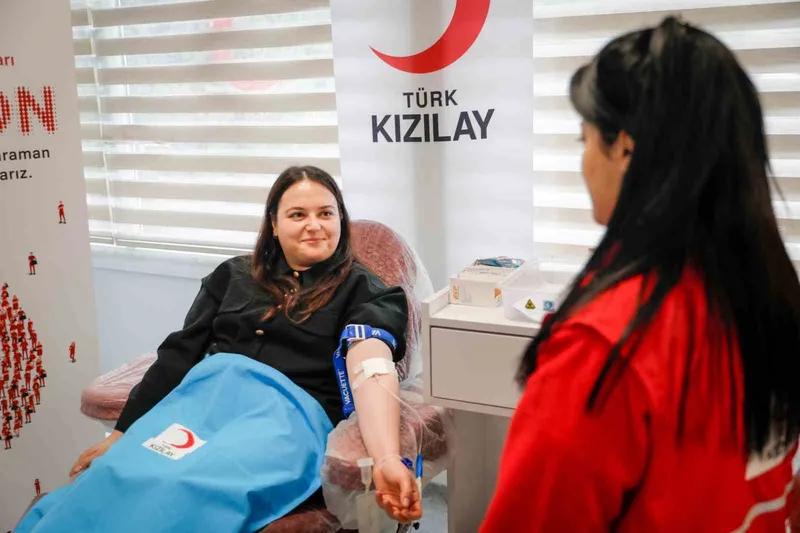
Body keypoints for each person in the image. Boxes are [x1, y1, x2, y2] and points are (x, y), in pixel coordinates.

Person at [481, 17, 800, 533]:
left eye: (585, 139)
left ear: (625, 149)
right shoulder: (770, 299)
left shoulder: (602, 351)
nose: (584, 162)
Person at [65, 166, 422, 526]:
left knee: (185, 486)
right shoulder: (233, 275)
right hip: (204, 407)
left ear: (340, 220)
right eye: (298, 215)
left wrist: (387, 459)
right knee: (118, 471)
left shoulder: (366, 291)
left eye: (326, 213)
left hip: (284, 422)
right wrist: (122, 433)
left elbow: (370, 368)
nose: (314, 225)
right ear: (274, 223)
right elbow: (179, 354)